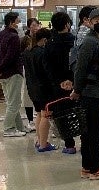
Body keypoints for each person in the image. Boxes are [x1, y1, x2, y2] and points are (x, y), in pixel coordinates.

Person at [71, 8, 99, 180]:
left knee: (89, 131)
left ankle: (88, 167)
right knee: (93, 132)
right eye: (98, 21)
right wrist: (77, 90)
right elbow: (80, 68)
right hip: (92, 94)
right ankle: (96, 167)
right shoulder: (90, 41)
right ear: (89, 22)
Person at [45, 11, 78, 154]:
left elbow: (47, 66)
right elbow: (79, 63)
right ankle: (86, 142)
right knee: (80, 111)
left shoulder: (50, 43)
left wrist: (59, 81)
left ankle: (69, 145)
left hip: (58, 85)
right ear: (67, 24)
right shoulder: (75, 41)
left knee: (62, 114)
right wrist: (73, 80)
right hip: (75, 83)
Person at [0, 11, 28, 137]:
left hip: (3, 75)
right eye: (18, 21)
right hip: (13, 73)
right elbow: (11, 57)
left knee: (11, 101)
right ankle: (8, 128)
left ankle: (19, 127)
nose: (20, 23)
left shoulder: (0, 35)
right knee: (14, 103)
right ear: (12, 23)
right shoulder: (14, 37)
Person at [23, 28, 57, 152]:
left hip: (32, 88)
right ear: (45, 40)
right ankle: (43, 144)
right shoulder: (42, 53)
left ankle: (39, 140)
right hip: (44, 88)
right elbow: (47, 72)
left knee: (38, 113)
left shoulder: (27, 52)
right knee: (45, 115)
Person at [20, 18, 42, 132]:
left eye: (36, 25)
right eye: (33, 25)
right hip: (28, 69)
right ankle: (30, 120)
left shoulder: (40, 37)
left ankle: (39, 116)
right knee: (27, 95)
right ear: (29, 26)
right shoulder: (25, 39)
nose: (35, 27)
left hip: (37, 70)